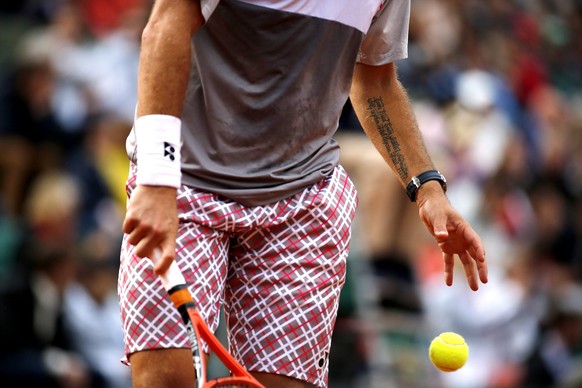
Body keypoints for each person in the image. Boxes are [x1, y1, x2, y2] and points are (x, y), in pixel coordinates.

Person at [119, 1, 489, 387]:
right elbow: (166, 25)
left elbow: (375, 79)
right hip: (182, 181)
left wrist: (428, 188)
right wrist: (157, 179)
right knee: (164, 379)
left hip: (303, 202)